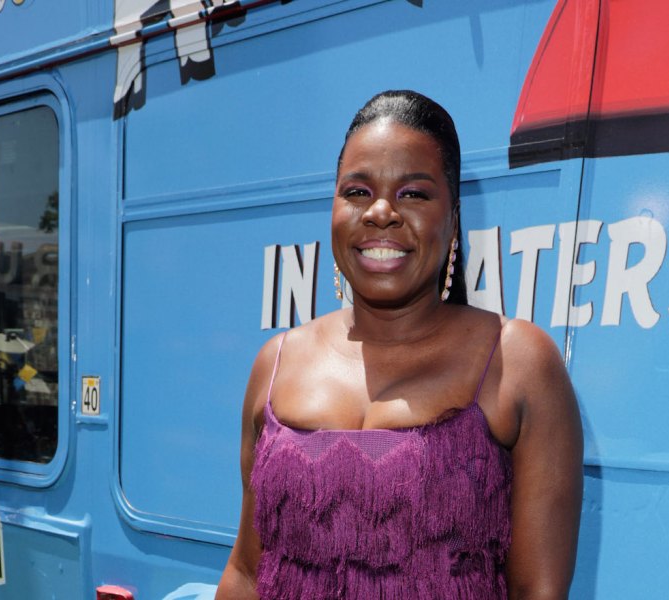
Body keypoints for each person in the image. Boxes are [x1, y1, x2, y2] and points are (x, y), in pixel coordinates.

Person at [217, 90, 582, 599]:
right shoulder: (276, 363)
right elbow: (247, 573)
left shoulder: (516, 361)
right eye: (357, 192)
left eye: (413, 193)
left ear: (453, 220)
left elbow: (537, 592)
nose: (381, 212)